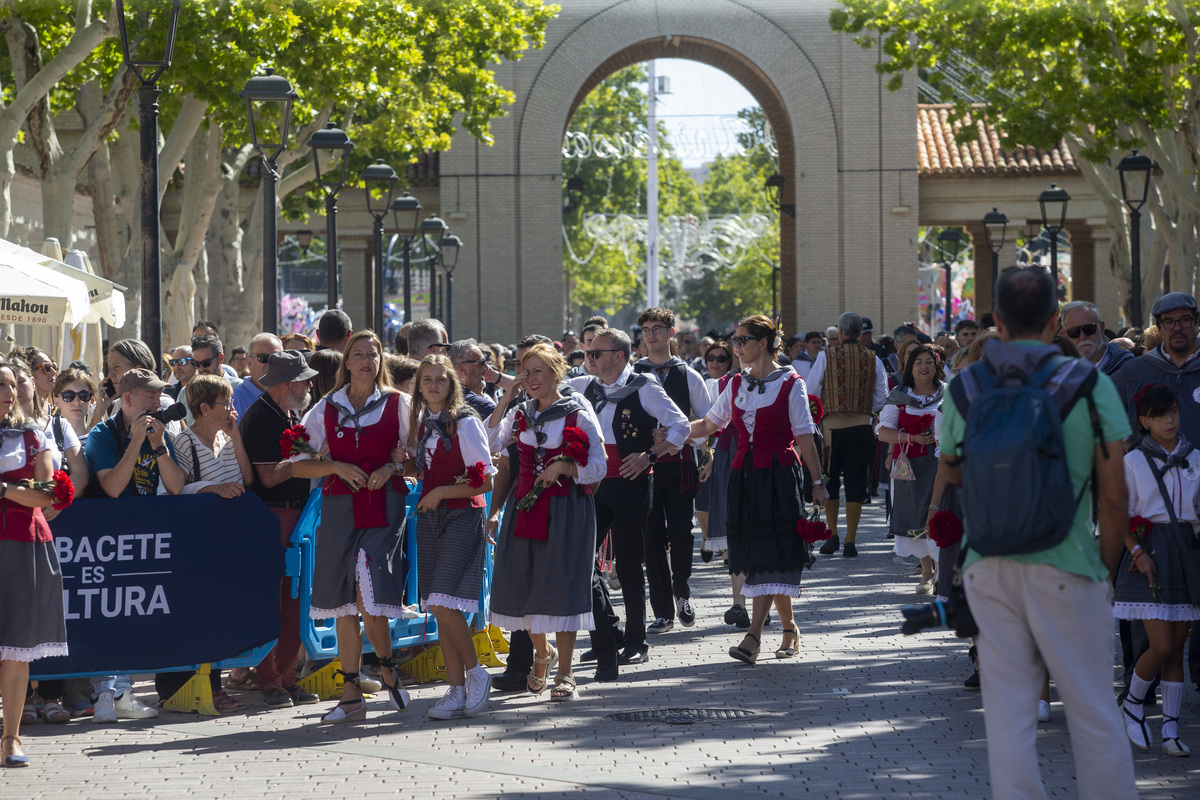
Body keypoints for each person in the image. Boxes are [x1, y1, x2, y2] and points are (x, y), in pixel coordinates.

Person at [940, 266, 1137, 799]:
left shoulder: (964, 388)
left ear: (996, 322)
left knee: (1008, 718)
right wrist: (1105, 566)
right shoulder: (1090, 385)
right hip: (1068, 564)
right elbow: (1115, 495)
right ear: (1055, 322)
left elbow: (954, 470)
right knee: (1094, 711)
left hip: (988, 566)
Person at [689, 315, 828, 663]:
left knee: (770, 552)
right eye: (734, 341)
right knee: (761, 553)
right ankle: (789, 628)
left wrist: (817, 482)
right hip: (743, 477)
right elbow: (709, 423)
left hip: (779, 476)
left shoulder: (791, 383)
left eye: (742, 340)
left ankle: (753, 636)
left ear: (763, 343)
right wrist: (671, 432)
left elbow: (804, 437)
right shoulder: (736, 383)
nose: (735, 348)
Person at [290, 332, 412, 723]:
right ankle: (350, 691)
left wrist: (393, 466)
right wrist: (335, 466)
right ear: (346, 362)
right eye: (357, 354)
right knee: (343, 597)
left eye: (372, 355)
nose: (365, 361)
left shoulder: (399, 404)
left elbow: (419, 462)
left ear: (381, 361)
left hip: (383, 506)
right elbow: (298, 462)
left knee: (366, 593)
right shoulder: (327, 406)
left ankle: (388, 667)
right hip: (340, 507)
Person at [565, 329, 690, 666]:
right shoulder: (581, 387)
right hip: (593, 482)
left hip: (629, 482)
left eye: (595, 353)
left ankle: (637, 641)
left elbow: (681, 426)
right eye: (588, 354)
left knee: (631, 564)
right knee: (580, 558)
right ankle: (606, 633)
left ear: (618, 356)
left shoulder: (644, 385)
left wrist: (651, 454)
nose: (589, 359)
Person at [487, 344, 605, 701]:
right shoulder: (520, 413)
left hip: (565, 512)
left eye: (538, 371)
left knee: (561, 588)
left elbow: (599, 466)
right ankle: (543, 653)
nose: (531, 378)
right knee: (521, 585)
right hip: (524, 508)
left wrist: (565, 467)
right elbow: (489, 443)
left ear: (556, 373)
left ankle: (566, 673)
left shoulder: (577, 412)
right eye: (526, 371)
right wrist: (506, 396)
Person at [154, 373, 253, 712]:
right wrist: (212, 490)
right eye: (227, 404)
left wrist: (237, 437)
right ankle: (179, 686)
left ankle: (215, 684)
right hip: (194, 542)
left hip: (226, 541)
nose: (232, 409)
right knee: (193, 612)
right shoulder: (183, 442)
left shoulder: (227, 439)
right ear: (205, 408)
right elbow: (175, 490)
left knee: (219, 613)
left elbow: (247, 479)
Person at [1112, 382, 1200, 757]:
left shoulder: (1195, 457)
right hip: (1147, 553)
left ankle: (1170, 730)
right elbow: (1118, 516)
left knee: (1178, 647)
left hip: (1186, 553)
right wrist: (1136, 550)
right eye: (1161, 415)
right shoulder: (1132, 461)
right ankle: (1133, 703)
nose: (1170, 420)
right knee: (1160, 646)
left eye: (1174, 412)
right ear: (1145, 421)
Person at [409, 355, 495, 719]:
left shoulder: (466, 422)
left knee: (444, 601)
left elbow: (486, 479)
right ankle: (456, 688)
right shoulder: (422, 424)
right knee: (438, 604)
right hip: (430, 518)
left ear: (452, 384)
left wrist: (442, 492)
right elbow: (424, 469)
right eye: (426, 379)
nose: (432, 385)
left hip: (462, 514)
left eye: (440, 379)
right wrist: (404, 462)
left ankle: (477, 674)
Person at [238, 351, 322, 710]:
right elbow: (268, 476)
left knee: (295, 601)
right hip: (272, 516)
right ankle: (270, 681)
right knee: (274, 601)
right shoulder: (260, 417)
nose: (310, 385)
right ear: (288, 384)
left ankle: (287, 678)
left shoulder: (291, 412)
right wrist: (304, 464)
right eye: (304, 380)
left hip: (296, 514)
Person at [0, 357, 69, 767]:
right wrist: (16, 489)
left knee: (16, 647)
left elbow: (45, 494)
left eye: (10, 384)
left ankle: (11, 738)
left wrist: (4, 489)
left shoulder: (32, 435)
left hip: (23, 543)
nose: (8, 393)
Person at [634, 307, 713, 633]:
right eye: (646, 329)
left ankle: (682, 589)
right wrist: (646, 435)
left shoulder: (688, 374)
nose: (651, 334)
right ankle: (662, 610)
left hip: (680, 466)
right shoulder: (631, 374)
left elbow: (709, 423)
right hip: (644, 467)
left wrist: (680, 433)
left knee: (681, 533)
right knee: (650, 539)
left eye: (657, 328)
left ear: (670, 332)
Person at [807, 312, 888, 557]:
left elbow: (811, 389)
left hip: (831, 427)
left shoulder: (826, 355)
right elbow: (881, 396)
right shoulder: (873, 358)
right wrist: (864, 410)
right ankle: (851, 540)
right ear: (860, 331)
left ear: (841, 332)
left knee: (830, 480)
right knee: (856, 482)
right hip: (862, 427)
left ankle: (833, 535)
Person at [876, 345, 944, 593]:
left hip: (941, 465)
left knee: (941, 510)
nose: (924, 367)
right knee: (916, 513)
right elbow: (883, 432)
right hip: (909, 466)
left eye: (928, 361)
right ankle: (926, 571)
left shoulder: (947, 394)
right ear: (910, 367)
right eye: (918, 363)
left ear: (936, 365)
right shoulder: (899, 395)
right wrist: (911, 438)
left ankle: (942, 568)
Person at [1060, 300, 1133, 377]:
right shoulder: (1060, 372)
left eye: (1089, 329)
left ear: (1101, 328)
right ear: (1065, 336)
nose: (1082, 337)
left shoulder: (1125, 364)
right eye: (1074, 332)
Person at [232, 333, 281, 417]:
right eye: (264, 358)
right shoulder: (234, 399)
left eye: (276, 358)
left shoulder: (285, 395)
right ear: (250, 363)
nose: (270, 364)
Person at [449, 338, 498, 419]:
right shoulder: (485, 407)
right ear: (462, 369)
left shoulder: (438, 400)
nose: (486, 368)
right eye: (481, 363)